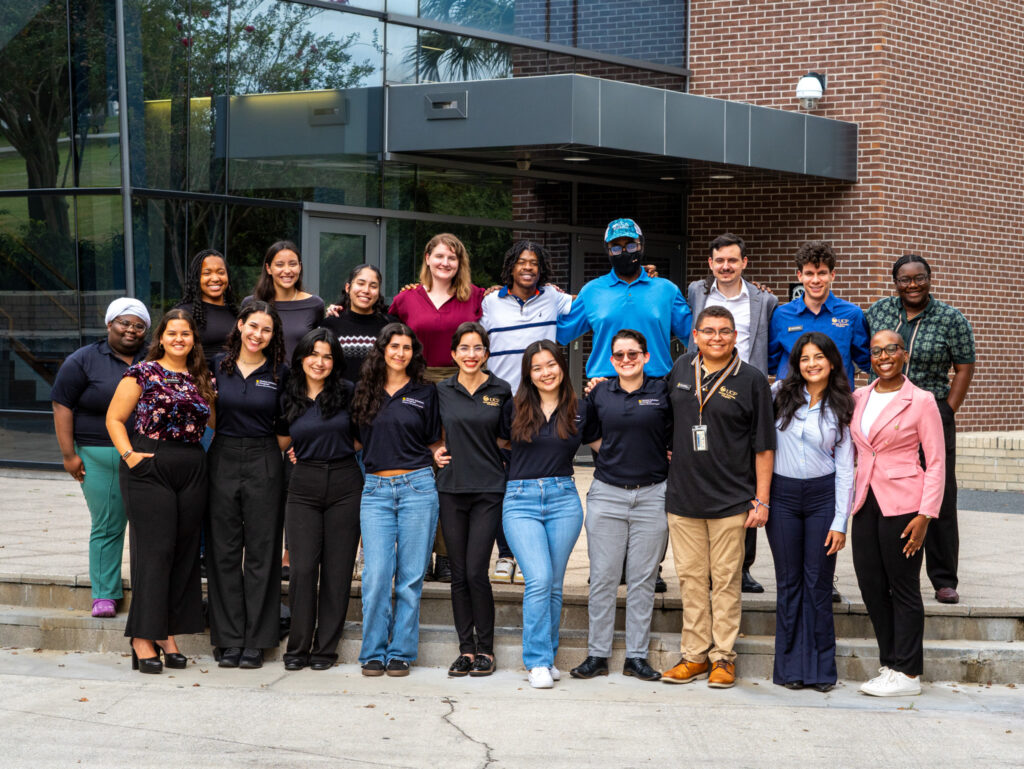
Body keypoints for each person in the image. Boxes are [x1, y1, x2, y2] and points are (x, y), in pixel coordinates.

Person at [661, 306, 775, 689]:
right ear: (695, 336)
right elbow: (665, 421)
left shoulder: (752, 380)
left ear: (735, 336)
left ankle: (723, 658)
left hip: (731, 500)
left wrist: (761, 500)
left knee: (726, 581)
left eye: (724, 331)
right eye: (708, 331)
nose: (716, 338)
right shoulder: (680, 370)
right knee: (692, 580)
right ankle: (693, 656)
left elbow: (764, 446)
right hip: (684, 498)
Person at [105, 309, 216, 674]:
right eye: (173, 333)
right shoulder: (143, 372)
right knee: (156, 551)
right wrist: (129, 455)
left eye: (187, 334)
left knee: (184, 554)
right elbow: (114, 418)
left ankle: (165, 633)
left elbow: (212, 420)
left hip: (192, 464)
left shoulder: (201, 377)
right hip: (150, 462)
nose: (180, 339)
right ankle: (142, 637)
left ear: (193, 340)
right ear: (162, 338)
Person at [865, 254, 975, 604]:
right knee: (889, 491)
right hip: (886, 416)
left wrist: (946, 410)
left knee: (939, 492)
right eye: (904, 279)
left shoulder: (950, 318)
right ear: (894, 282)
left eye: (919, 278)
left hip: (930, 414)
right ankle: (895, 569)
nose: (912, 285)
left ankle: (943, 578)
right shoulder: (878, 312)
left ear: (929, 278)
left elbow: (964, 367)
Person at [569, 329, 670, 683]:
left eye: (633, 354)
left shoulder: (662, 391)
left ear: (646, 356)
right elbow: (589, 434)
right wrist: (613, 453)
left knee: (643, 580)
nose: (626, 360)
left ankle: (636, 657)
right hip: (608, 493)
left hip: (653, 494)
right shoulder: (599, 393)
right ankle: (597, 654)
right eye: (619, 356)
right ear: (611, 361)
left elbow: (672, 434)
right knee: (603, 578)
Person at [498, 340, 597, 689]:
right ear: (528, 373)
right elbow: (498, 446)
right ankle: (536, 660)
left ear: (561, 366)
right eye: (537, 367)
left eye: (551, 364)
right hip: (521, 498)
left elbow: (606, 448)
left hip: (563, 499)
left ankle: (549, 657)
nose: (545, 372)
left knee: (554, 584)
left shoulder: (580, 408)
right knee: (538, 579)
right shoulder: (513, 408)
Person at [851, 330, 945, 697]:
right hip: (865, 501)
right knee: (871, 586)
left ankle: (908, 674)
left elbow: (936, 463)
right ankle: (889, 664)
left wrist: (926, 515)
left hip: (905, 505)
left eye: (891, 349)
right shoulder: (859, 396)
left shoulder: (921, 400)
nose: (884, 356)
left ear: (904, 354)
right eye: (876, 351)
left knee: (903, 588)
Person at [388, 234, 485, 582]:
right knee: (416, 467)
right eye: (440, 256)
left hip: (458, 384)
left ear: (460, 264)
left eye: (453, 258)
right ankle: (417, 552)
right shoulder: (406, 298)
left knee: (448, 465)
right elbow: (382, 333)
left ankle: (445, 555)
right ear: (428, 258)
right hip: (414, 384)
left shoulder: (476, 296)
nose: (446, 263)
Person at [687, 233, 778, 595]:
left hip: (744, 393)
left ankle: (742, 568)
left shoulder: (765, 300)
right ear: (710, 264)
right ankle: (705, 565)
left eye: (733, 260)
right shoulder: (696, 292)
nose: (726, 266)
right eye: (719, 260)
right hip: (700, 394)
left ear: (744, 263)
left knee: (744, 479)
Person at [351, 323, 442, 677]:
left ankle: (401, 651)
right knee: (376, 575)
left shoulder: (425, 392)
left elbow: (433, 440)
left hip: (418, 487)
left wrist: (441, 453)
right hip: (375, 490)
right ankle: (373, 650)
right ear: (382, 350)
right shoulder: (364, 391)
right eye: (394, 346)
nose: (400, 353)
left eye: (407, 347)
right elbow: (356, 442)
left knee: (409, 576)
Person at [51, 298, 149, 618]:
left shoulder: (155, 358)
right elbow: (62, 404)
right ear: (109, 324)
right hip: (99, 453)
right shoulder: (83, 360)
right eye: (124, 323)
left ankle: (152, 589)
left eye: (138, 325)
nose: (131, 330)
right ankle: (104, 593)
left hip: (149, 452)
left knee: (152, 524)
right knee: (107, 524)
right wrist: (69, 455)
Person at [767, 332, 854, 692]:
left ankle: (820, 670)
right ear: (796, 364)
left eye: (819, 357)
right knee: (789, 583)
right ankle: (789, 669)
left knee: (817, 584)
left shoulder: (843, 404)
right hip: (782, 496)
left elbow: (846, 467)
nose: (812, 364)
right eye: (804, 358)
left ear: (832, 361)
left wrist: (840, 521)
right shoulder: (777, 395)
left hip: (822, 498)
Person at [480, 240, 571, 583]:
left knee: (526, 478)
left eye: (534, 262)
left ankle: (527, 554)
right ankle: (506, 554)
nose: (528, 267)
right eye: (521, 262)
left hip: (538, 400)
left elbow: (593, 305)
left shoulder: (554, 298)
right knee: (502, 478)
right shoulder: (490, 301)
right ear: (511, 267)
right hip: (500, 401)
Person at [205, 301, 287, 670]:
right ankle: (227, 637)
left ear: (273, 336)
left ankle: (258, 638)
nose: (258, 335)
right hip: (221, 455)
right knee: (223, 550)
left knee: (262, 550)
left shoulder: (280, 372)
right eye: (253, 326)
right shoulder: (214, 367)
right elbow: (206, 415)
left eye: (266, 330)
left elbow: (286, 428)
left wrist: (265, 455)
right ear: (239, 325)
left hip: (265, 457)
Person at [275, 328, 362, 671]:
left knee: (338, 572)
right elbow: (282, 441)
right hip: (304, 484)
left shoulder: (347, 392)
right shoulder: (288, 395)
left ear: (334, 361)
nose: (320, 362)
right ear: (302, 358)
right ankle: (297, 647)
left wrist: (331, 449)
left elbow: (359, 438)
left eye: (327, 356)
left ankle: (325, 649)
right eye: (314, 354)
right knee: (303, 569)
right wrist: (304, 452)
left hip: (345, 482)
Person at [433, 322, 513, 677]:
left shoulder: (501, 389)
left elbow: (508, 438)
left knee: (477, 571)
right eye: (464, 348)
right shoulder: (442, 390)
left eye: (477, 348)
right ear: (453, 354)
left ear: (486, 353)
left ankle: (487, 649)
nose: (471, 354)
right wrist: (435, 450)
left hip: (488, 489)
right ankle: (466, 650)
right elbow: (429, 434)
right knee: (459, 573)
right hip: (451, 488)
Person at [557, 218, 692, 378]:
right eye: (616, 247)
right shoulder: (591, 291)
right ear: (608, 250)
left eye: (631, 245)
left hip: (656, 386)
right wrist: (542, 295)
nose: (624, 252)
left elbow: (695, 338)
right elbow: (558, 332)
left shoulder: (667, 290)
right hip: (605, 385)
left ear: (641, 245)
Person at [767, 240, 871, 385]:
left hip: (838, 401)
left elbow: (867, 362)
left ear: (832, 275)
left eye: (821, 273)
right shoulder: (781, 315)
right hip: (792, 402)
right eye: (809, 273)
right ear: (799, 275)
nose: (815, 280)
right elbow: (770, 364)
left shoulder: (852, 314)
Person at [320, 263, 397, 382]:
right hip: (340, 398)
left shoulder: (390, 326)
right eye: (360, 283)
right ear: (347, 288)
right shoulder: (329, 325)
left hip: (380, 398)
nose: (366, 290)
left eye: (373, 286)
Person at [250, 240, 325, 360]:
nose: (287, 270)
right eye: (280, 265)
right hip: (261, 377)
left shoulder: (315, 305)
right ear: (268, 268)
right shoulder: (251, 304)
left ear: (300, 267)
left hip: (299, 377)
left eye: (292, 264)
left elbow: (321, 345)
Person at [177, 249, 240, 354]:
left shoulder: (236, 312)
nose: (215, 278)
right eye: (207, 273)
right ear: (196, 278)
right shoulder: (184, 313)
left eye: (221, 272)